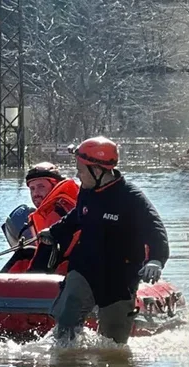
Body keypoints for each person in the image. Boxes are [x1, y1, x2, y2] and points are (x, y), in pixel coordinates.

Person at [38, 136, 169, 344]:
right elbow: (77, 216)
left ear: (97, 170)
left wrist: (156, 260)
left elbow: (155, 230)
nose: (77, 176)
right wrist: (53, 232)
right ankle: (65, 366)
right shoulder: (87, 191)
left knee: (113, 345)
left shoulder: (131, 198)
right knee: (67, 319)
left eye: (80, 171)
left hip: (120, 277)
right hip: (85, 268)